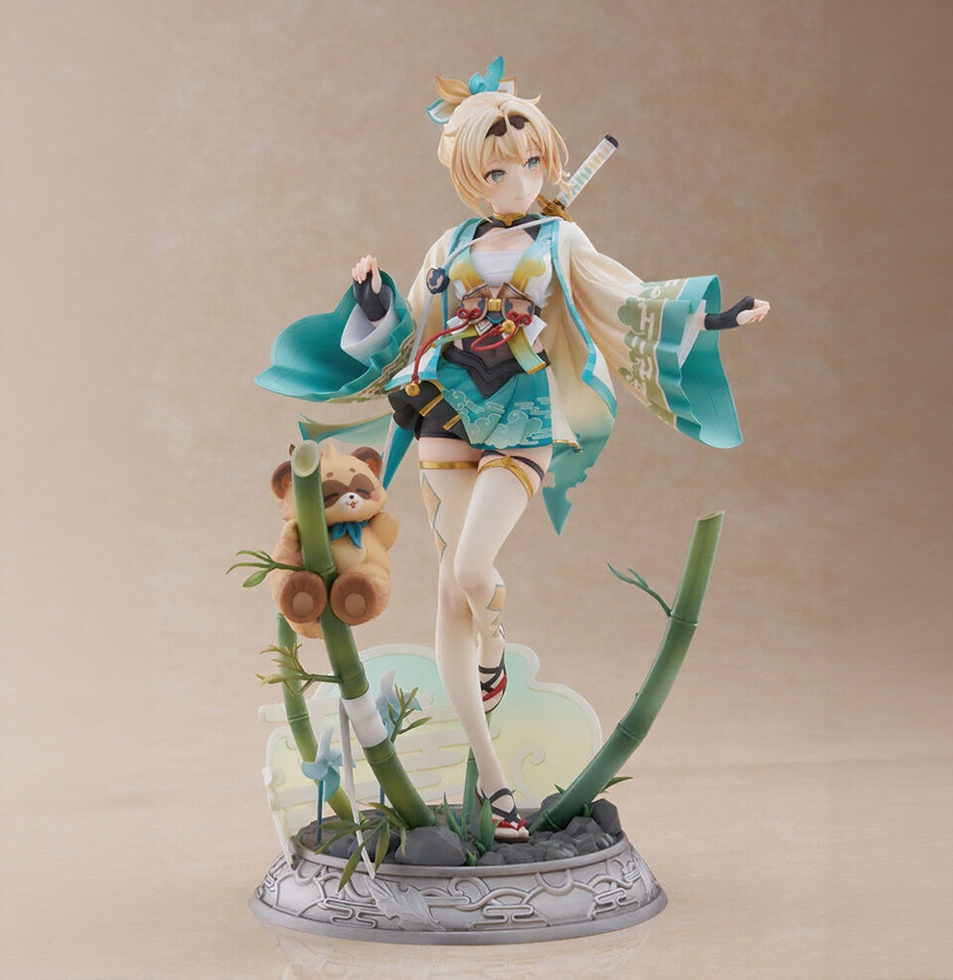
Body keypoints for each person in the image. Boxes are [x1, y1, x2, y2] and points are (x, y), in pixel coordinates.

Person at [256, 58, 769, 840]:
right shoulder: (450, 243)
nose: (519, 181)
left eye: (532, 164)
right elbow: (415, 327)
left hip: (524, 420)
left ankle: (494, 645)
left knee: (473, 570)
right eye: (499, 170)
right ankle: (496, 786)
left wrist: (713, 319)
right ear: (472, 175)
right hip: (445, 416)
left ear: (548, 164)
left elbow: (629, 303)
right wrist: (374, 301)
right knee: (448, 596)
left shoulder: (563, 239)